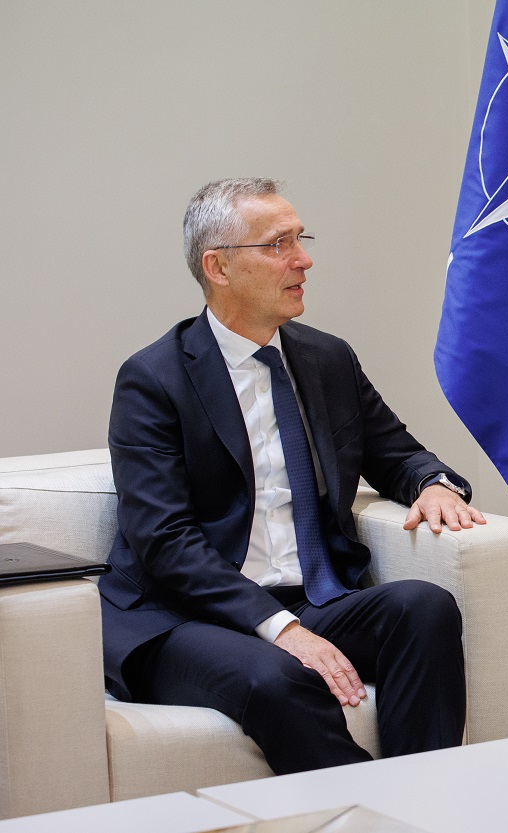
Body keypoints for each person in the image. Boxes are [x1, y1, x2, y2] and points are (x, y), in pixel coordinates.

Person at [99, 178, 487, 774]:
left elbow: (397, 454)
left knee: (425, 608)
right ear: (218, 267)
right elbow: (164, 541)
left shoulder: (327, 358)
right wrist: (281, 631)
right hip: (183, 617)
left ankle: (424, 793)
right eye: (279, 244)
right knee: (278, 676)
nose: (304, 259)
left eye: (299, 239)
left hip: (313, 596)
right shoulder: (153, 379)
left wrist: (433, 483)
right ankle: (381, 814)